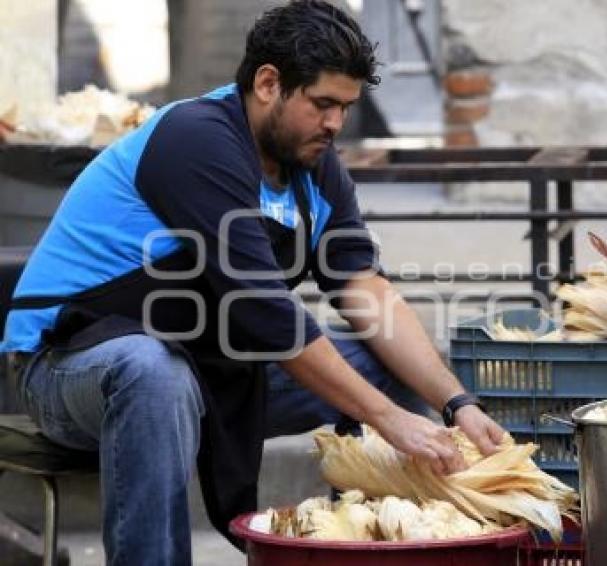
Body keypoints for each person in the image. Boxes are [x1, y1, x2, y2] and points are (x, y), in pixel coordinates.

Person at [0, 1, 504, 564]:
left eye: (346, 107)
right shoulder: (198, 140)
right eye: (323, 104)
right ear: (268, 83)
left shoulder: (314, 164)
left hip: (210, 367)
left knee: (387, 363)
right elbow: (265, 316)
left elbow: (365, 287)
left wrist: (456, 403)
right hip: (67, 370)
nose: (336, 124)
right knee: (152, 373)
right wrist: (386, 419)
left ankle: (389, 544)